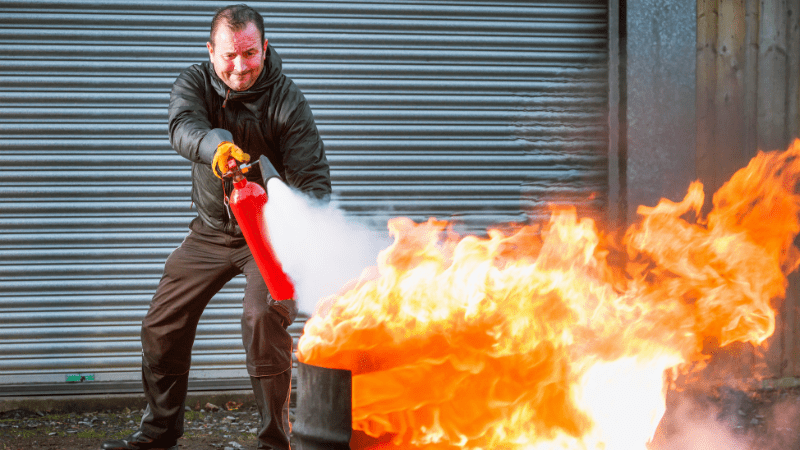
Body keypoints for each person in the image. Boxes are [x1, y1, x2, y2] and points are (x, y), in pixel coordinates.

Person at [101, 4, 331, 450]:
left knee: (263, 318)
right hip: (210, 230)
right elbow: (182, 125)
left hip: (266, 237)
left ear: (264, 48)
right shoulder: (193, 82)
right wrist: (217, 146)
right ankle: (159, 432)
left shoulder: (287, 100)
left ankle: (273, 442)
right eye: (229, 55)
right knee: (161, 323)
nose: (239, 67)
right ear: (211, 51)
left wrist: (289, 209)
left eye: (249, 53)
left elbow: (314, 180)